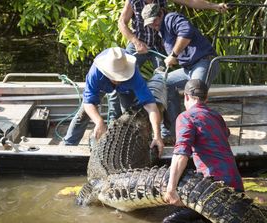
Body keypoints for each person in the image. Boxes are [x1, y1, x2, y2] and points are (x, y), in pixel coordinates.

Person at [162, 79, 244, 222]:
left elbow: (181, 153)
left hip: (215, 190)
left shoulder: (186, 117)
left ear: (186, 97)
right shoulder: (216, 116)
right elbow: (226, 134)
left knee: (169, 221)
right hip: (236, 186)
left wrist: (171, 188)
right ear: (206, 98)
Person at [63, 47, 164, 155]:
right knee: (83, 114)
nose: (117, 80)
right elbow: (89, 103)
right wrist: (99, 121)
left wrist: (157, 135)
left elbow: (151, 106)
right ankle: (68, 145)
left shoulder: (134, 75)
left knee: (129, 115)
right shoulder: (95, 73)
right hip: (102, 84)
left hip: (126, 87)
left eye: (120, 76)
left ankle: (124, 146)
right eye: (114, 77)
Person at [141, 3, 221, 138]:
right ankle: (173, 132)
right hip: (188, 68)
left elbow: (186, 32)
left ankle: (200, 136)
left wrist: (173, 55)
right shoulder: (161, 30)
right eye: (150, 23)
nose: (153, 25)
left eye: (154, 21)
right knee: (164, 83)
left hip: (204, 62)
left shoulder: (171, 18)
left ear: (161, 13)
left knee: (195, 92)